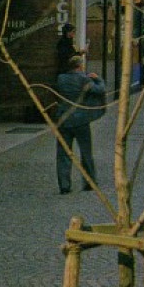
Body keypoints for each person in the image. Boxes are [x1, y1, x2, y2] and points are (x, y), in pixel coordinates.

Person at [54, 53, 105, 193]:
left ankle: (64, 186)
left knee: (63, 154)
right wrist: (98, 79)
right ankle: (89, 182)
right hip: (81, 121)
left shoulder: (61, 79)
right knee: (86, 152)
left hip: (63, 120)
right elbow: (100, 90)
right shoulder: (84, 80)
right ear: (80, 66)